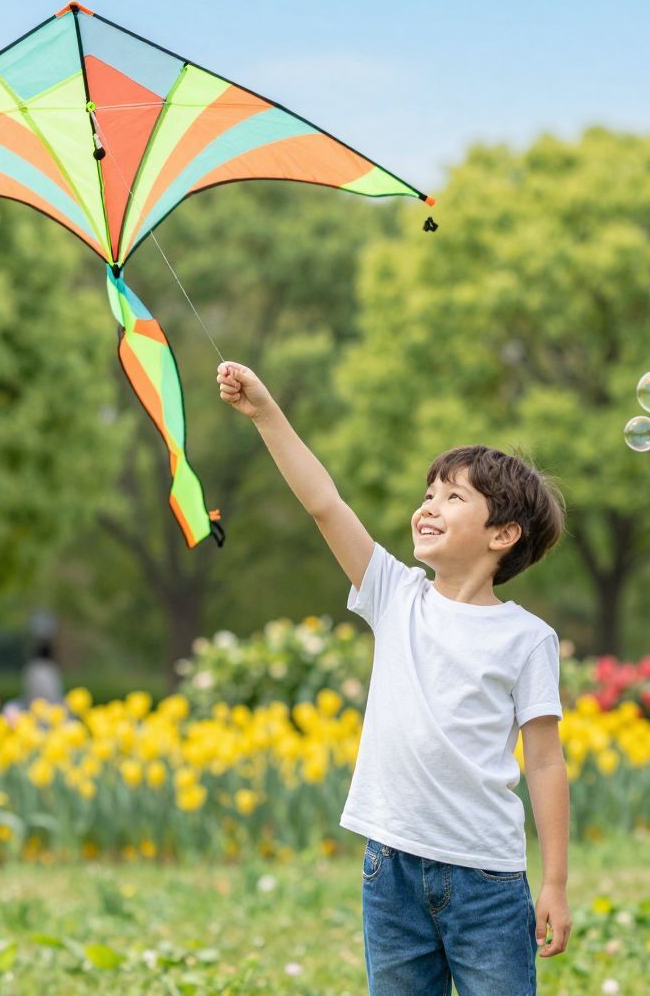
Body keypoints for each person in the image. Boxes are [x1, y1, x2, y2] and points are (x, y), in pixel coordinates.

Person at [218, 360, 572, 995]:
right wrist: (266, 414)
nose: (428, 507)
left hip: (487, 882)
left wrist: (555, 883)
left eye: (453, 497)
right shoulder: (395, 594)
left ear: (504, 535)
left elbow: (545, 762)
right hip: (391, 869)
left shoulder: (527, 638)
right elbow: (324, 504)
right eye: (428, 494)